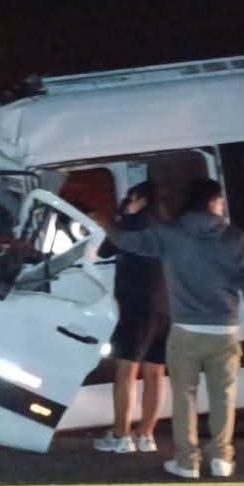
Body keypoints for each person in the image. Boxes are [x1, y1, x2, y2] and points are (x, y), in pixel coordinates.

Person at [105, 178, 244, 479]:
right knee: (223, 396)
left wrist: (113, 219)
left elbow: (122, 241)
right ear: (213, 201)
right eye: (220, 201)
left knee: (184, 396)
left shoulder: (171, 235)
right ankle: (221, 459)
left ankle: (187, 462)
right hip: (225, 329)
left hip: (187, 329)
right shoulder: (233, 237)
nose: (223, 207)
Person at [92, 182, 169, 454]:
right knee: (155, 371)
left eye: (130, 197)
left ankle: (121, 434)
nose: (127, 200)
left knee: (126, 369)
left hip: (136, 305)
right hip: (165, 306)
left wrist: (121, 216)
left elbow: (104, 250)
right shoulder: (165, 225)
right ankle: (146, 435)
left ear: (141, 199)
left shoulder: (131, 224)